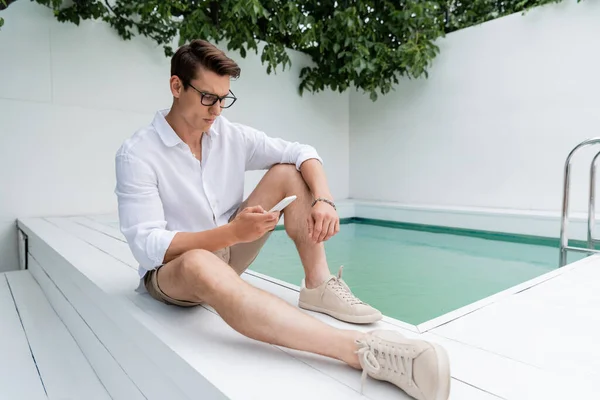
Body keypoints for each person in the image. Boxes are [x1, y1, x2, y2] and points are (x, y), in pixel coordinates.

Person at [115, 39, 451, 400]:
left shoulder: (228, 134)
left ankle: (318, 285)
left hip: (229, 248)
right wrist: (230, 232)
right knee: (198, 262)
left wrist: (324, 199)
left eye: (224, 98)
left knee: (289, 172)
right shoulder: (138, 154)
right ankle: (362, 350)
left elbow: (301, 151)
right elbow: (148, 246)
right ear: (176, 86)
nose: (216, 111)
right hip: (175, 272)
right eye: (207, 97)